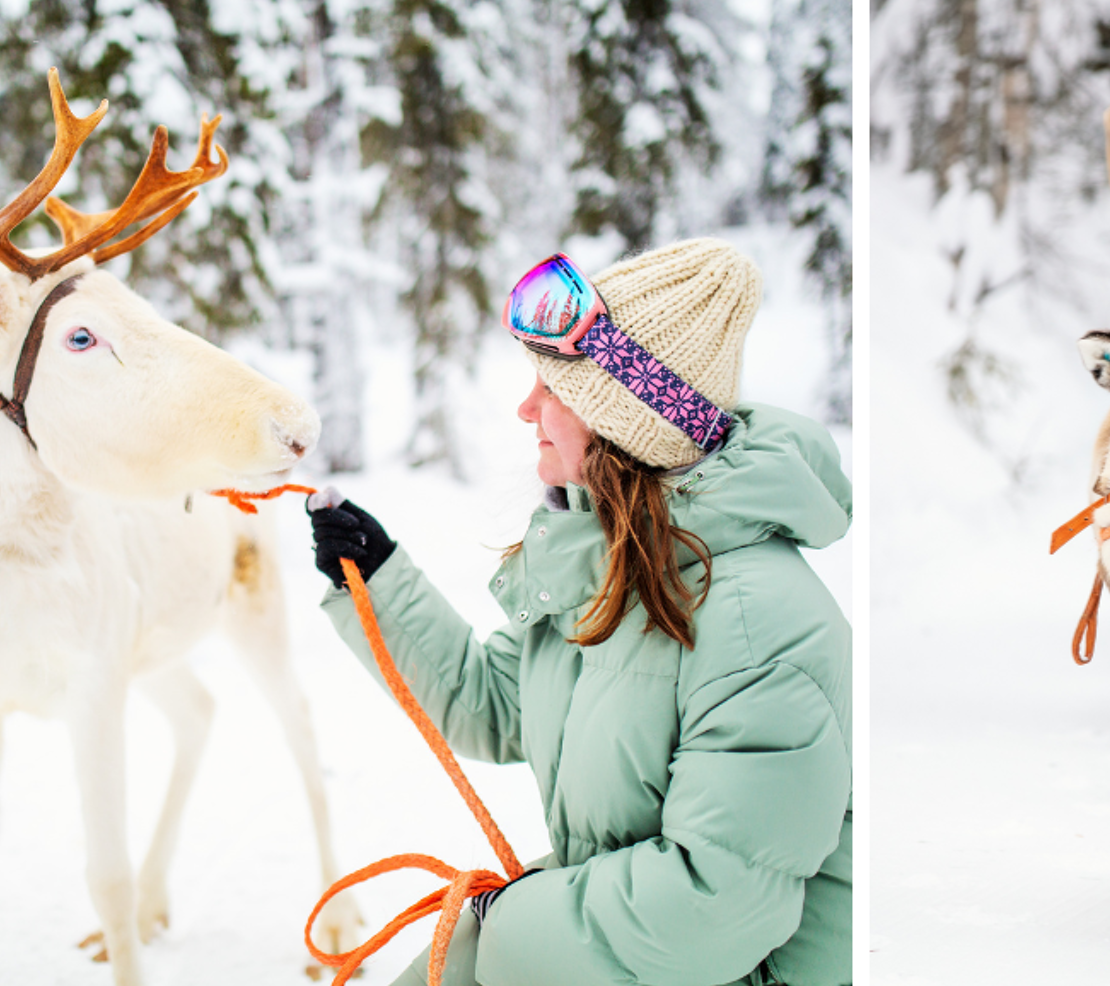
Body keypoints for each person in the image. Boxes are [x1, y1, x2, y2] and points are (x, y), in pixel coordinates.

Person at [306, 238, 853, 986]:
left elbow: (714, 906)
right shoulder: (609, 566)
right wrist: (377, 579)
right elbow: (495, 704)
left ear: (627, 422)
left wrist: (510, 927)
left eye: (554, 389)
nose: (526, 408)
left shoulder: (757, 626)